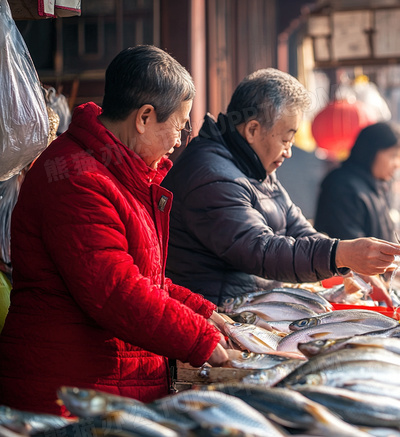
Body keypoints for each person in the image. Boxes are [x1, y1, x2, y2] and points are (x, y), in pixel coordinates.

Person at [0, 45, 238, 415]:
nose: (179, 141)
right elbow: (115, 289)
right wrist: (199, 339)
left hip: (104, 384)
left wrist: (201, 311)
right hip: (68, 393)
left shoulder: (115, 169)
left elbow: (144, 278)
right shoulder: (77, 178)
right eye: (179, 126)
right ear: (144, 117)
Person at [162, 69, 400, 308]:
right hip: (216, 311)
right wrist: (339, 254)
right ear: (253, 130)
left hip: (253, 303)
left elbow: (296, 225)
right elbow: (260, 250)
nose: (288, 152)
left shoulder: (253, 164)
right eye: (286, 139)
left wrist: (348, 264)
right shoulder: (211, 175)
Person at [314, 122, 400, 242]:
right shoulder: (342, 186)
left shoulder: (376, 186)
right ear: (371, 152)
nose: (398, 165)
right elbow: (350, 245)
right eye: (393, 156)